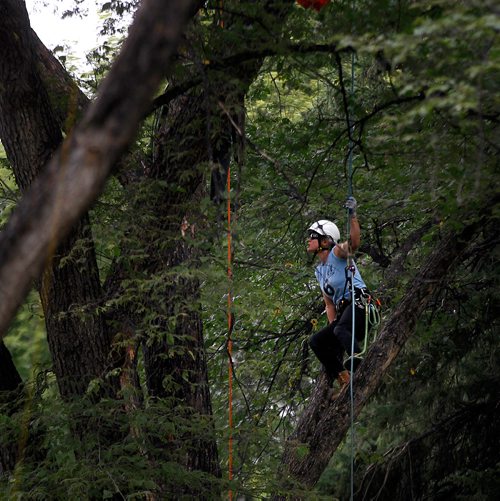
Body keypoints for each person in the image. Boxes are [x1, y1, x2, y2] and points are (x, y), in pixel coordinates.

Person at [307, 197, 369, 395]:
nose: (309, 240)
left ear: (325, 241)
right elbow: (329, 304)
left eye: (313, 236)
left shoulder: (337, 252)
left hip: (359, 304)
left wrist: (353, 216)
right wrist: (332, 328)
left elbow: (354, 242)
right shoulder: (319, 271)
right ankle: (344, 377)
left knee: (341, 329)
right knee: (316, 341)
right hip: (344, 314)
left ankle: (358, 366)